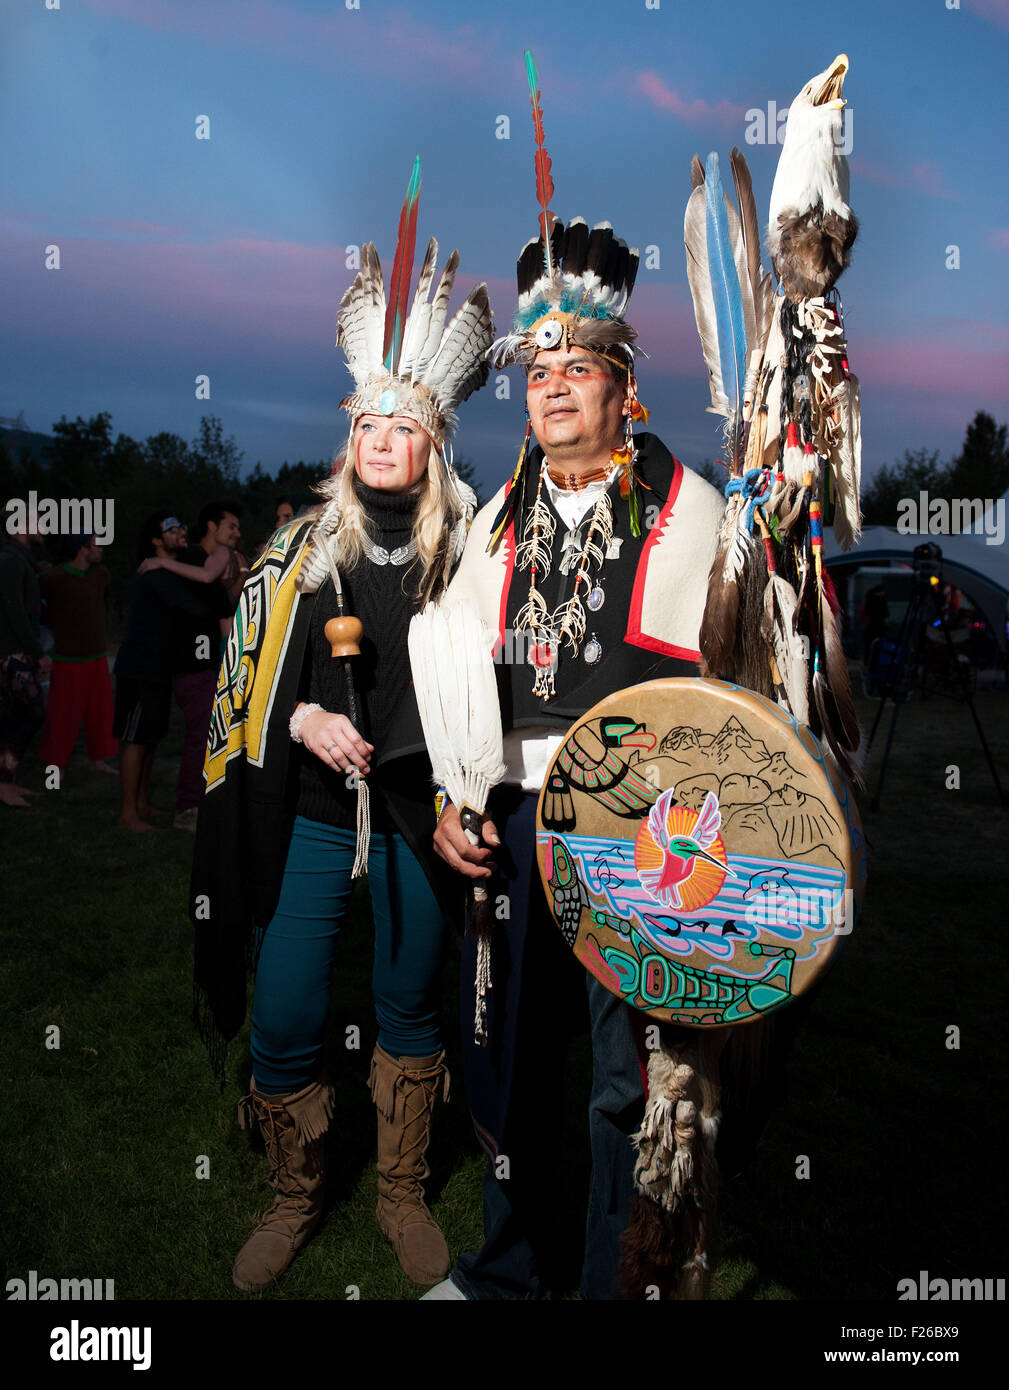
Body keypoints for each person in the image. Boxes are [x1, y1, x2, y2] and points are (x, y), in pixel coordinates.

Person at [190, 162, 494, 1294]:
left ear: (429, 445)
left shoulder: (463, 559)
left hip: (419, 813)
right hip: (313, 812)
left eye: (401, 427)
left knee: (412, 998)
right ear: (348, 436)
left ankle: (404, 1191)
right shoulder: (293, 554)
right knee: (289, 1003)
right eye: (366, 422)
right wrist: (306, 712)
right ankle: (291, 1192)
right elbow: (248, 686)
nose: (381, 439)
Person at [422, 207, 723, 1299]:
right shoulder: (495, 516)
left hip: (633, 835)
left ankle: (612, 1282)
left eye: (578, 367)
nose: (551, 386)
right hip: (510, 822)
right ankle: (506, 1270)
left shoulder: (688, 514)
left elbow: (729, 697)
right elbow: (449, 672)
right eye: (537, 368)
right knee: (504, 1053)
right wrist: (454, 803)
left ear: (622, 385)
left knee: (616, 1081)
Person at [112, 512, 223, 831]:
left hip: (161, 668)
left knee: (151, 738)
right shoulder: (154, 575)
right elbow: (195, 607)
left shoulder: (170, 571)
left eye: (180, 526)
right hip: (140, 668)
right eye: (170, 530)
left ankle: (142, 804)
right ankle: (127, 813)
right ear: (156, 541)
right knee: (135, 739)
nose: (180, 532)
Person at [139, 502, 240, 830]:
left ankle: (206, 803)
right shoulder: (191, 560)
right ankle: (187, 809)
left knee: (212, 734)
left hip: (209, 660)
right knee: (200, 734)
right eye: (230, 526)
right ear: (212, 526)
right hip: (191, 664)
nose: (236, 534)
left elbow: (215, 594)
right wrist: (159, 562)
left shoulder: (199, 563)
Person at [38, 533, 118, 779]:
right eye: (95, 545)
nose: (100, 550)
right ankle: (55, 766)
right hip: (67, 658)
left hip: (96, 655)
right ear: (81, 548)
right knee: (63, 716)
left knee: (101, 713)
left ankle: (99, 759)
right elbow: (41, 611)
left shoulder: (100, 575)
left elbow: (103, 601)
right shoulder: (54, 578)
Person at [0, 507, 48, 807]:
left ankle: (7, 781)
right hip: (10, 652)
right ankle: (3, 784)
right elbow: (13, 611)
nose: (44, 525)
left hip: (17, 652)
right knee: (30, 713)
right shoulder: (9, 560)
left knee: (18, 715)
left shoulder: (22, 561)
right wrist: (37, 653)